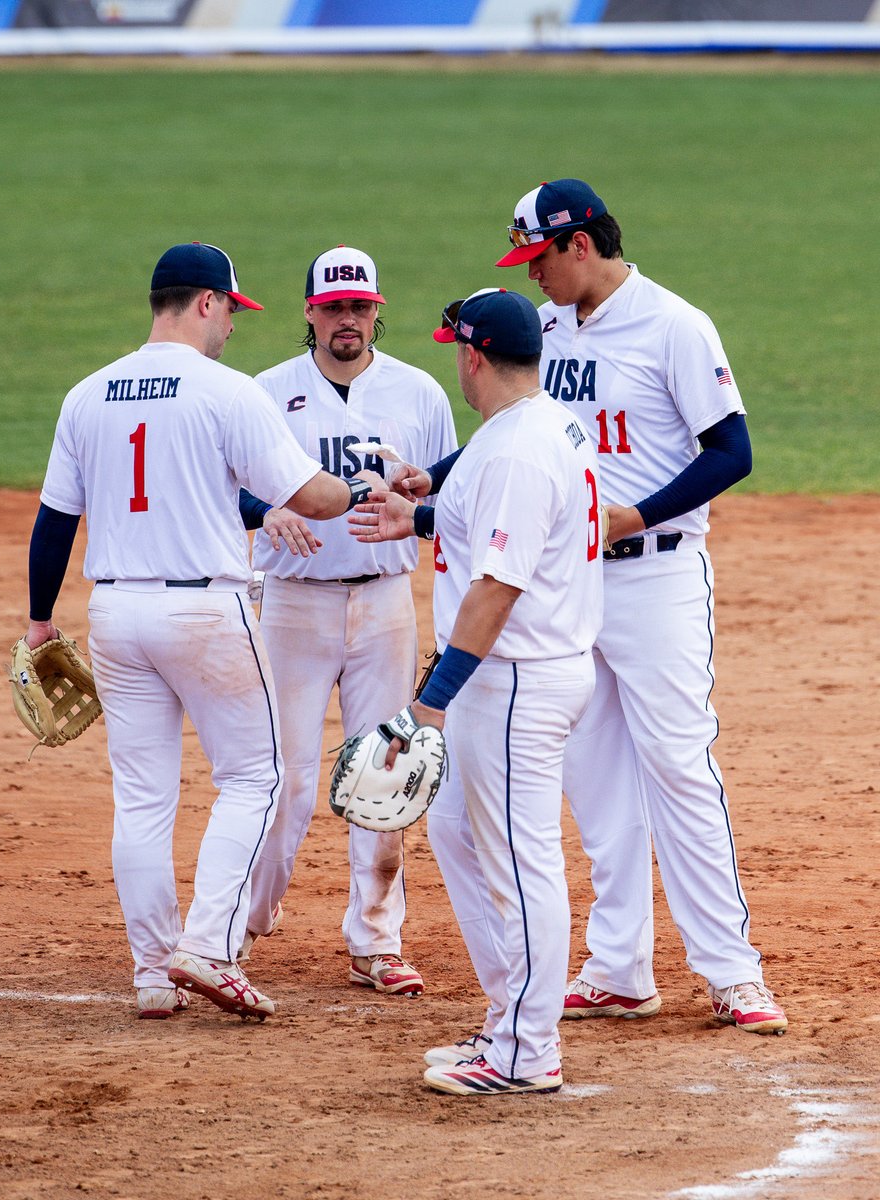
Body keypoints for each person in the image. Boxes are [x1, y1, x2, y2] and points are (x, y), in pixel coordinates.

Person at [392, 180, 785, 1035]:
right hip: (578, 583)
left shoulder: (675, 326)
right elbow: (520, 423)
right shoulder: (549, 328)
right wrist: (439, 477)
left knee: (677, 764)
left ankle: (732, 972)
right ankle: (619, 969)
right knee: (597, 778)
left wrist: (634, 516)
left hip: (657, 577)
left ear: (579, 244)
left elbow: (733, 451)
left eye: (538, 257)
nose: (531, 274)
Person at [22, 241, 376, 1021]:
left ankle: (153, 974)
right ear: (208, 303)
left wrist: (41, 620)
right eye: (231, 312)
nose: (233, 328)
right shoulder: (226, 392)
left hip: (116, 614)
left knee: (142, 798)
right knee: (256, 777)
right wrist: (360, 487)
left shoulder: (87, 393)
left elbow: (54, 521)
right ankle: (209, 945)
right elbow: (309, 498)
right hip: (204, 613)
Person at [352, 288, 603, 1095]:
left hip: (515, 680)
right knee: (458, 831)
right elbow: (498, 527)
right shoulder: (539, 425)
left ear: (473, 356)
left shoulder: (515, 452)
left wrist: (433, 698)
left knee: (521, 862)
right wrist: (418, 519)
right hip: (509, 675)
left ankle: (529, 1052)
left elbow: (497, 587)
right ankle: (508, 1020)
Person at [236, 245, 457, 996]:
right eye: (333, 307)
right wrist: (265, 511)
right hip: (292, 605)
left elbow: (450, 497)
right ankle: (241, 925)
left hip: (385, 604)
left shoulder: (419, 392)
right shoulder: (267, 393)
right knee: (284, 778)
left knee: (384, 773)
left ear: (375, 310)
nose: (347, 320)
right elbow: (228, 486)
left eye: (359, 306)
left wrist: (419, 501)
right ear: (310, 312)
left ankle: (377, 941)